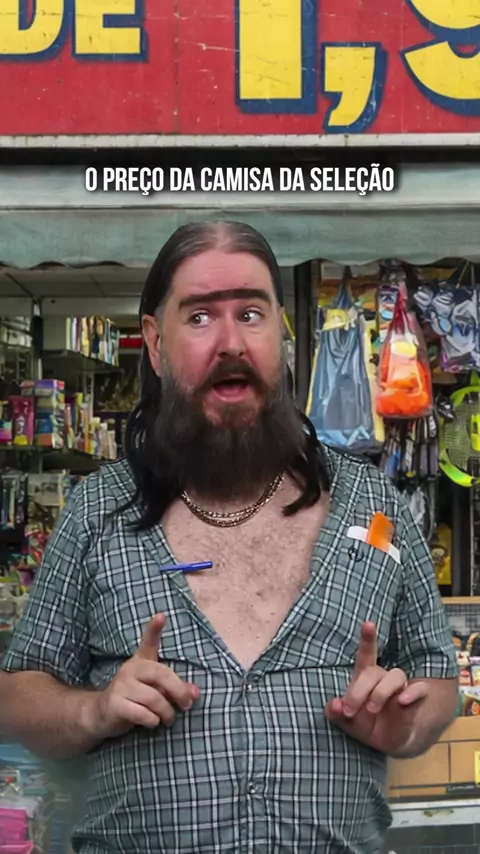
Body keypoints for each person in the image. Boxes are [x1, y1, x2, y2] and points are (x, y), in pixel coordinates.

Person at [0, 221, 458, 854]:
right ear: (154, 344)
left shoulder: (374, 505)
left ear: (280, 335)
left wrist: (406, 726)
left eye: (250, 313)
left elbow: (438, 678)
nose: (231, 342)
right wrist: (94, 710)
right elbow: (18, 695)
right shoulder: (97, 510)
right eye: (199, 317)